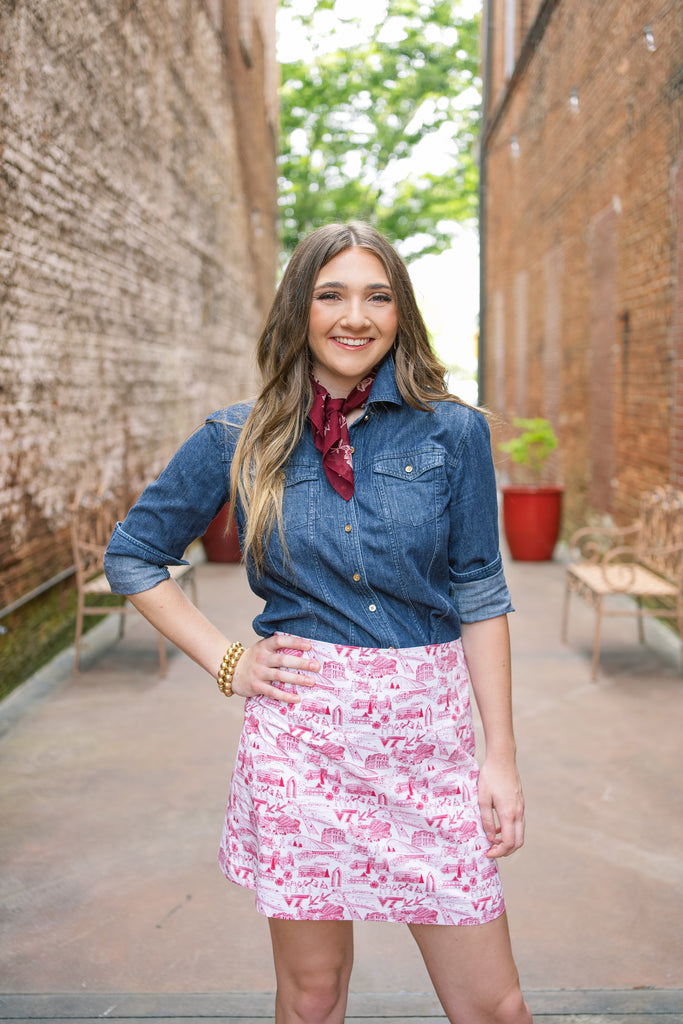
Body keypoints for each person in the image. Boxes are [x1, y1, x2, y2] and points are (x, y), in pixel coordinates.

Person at [104, 222, 532, 1024]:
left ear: (400, 314)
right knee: (310, 998)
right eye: (330, 294)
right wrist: (230, 661)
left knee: (494, 1006)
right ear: (297, 309)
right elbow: (133, 557)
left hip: (427, 745)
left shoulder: (453, 432)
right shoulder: (240, 436)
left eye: (377, 296)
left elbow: (479, 591)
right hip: (301, 747)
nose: (354, 316)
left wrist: (498, 756)